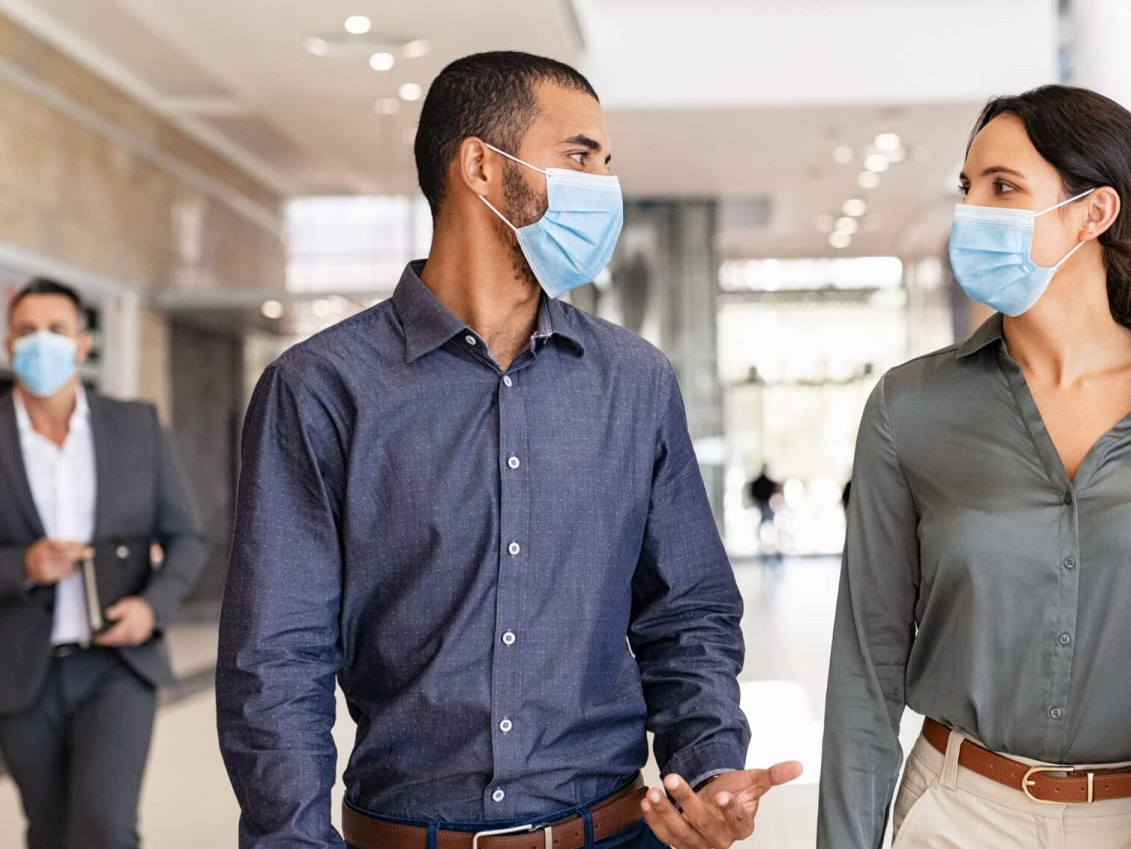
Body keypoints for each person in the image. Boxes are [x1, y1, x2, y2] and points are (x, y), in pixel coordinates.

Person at [217, 52, 798, 849]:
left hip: (613, 833)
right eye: (580, 156)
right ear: (484, 167)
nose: (603, 186)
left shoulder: (634, 381)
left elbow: (686, 611)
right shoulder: (319, 388)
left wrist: (707, 767)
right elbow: (276, 660)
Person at [818, 84, 1131, 849]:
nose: (973, 209)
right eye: (968, 187)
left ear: (1094, 212)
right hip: (958, 812)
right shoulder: (910, 405)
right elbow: (867, 663)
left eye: (1003, 186)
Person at [0, 278, 206, 849]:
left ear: (81, 344)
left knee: (104, 829)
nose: (41, 342)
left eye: (56, 330)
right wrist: (21, 565)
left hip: (118, 667)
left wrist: (152, 607)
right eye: (27, 331)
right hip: (19, 673)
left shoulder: (136, 427)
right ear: (7, 345)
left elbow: (187, 536)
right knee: (49, 832)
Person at [747, 466, 782, 562]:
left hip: (763, 503)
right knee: (767, 524)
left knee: (767, 524)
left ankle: (769, 545)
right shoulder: (762, 482)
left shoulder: (760, 482)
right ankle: (767, 545)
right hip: (763, 503)